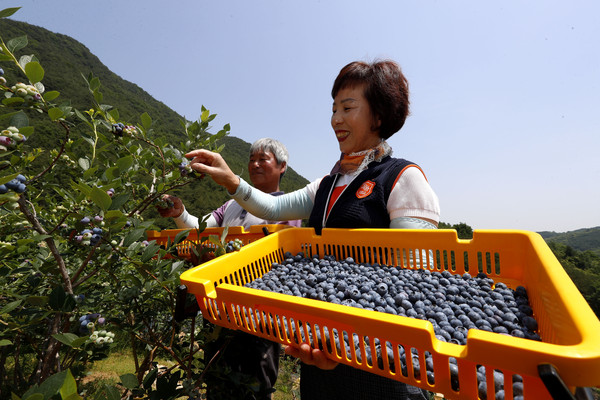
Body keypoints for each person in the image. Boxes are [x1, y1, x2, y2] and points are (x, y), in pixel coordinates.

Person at [184, 60, 440, 399]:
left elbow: (410, 285)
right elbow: (273, 207)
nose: (335, 119)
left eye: (348, 108)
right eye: (334, 109)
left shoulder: (402, 179)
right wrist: (231, 179)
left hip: (381, 365)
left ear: (379, 115)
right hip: (321, 351)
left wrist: (353, 346)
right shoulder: (328, 184)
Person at [158, 138, 302, 400]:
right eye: (251, 159)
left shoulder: (287, 206)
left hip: (259, 313)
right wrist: (180, 213)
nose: (255, 164)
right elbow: (201, 228)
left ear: (282, 167)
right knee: (217, 377)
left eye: (263, 159)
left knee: (254, 382)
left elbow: (284, 257)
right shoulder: (232, 205)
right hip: (220, 305)